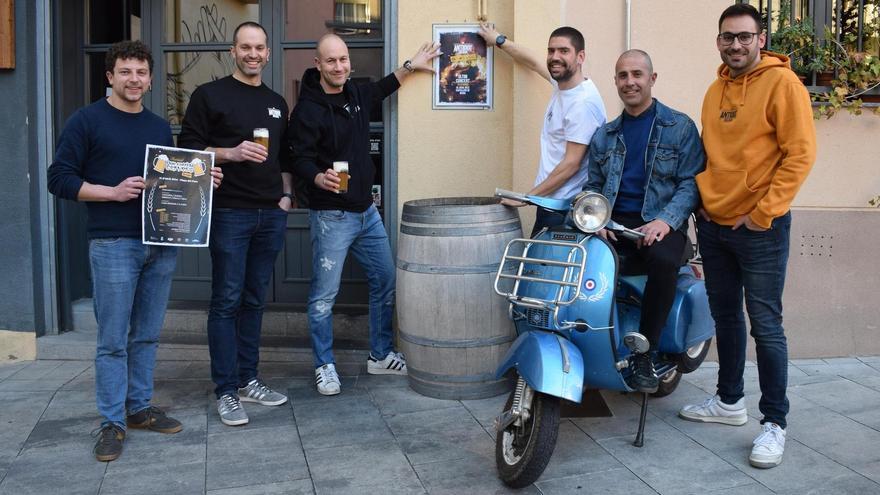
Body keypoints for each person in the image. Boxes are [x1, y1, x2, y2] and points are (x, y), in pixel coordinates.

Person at [47, 40, 222, 461]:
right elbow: (59, 178)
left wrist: (203, 184)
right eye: (125, 72)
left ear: (149, 78)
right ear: (110, 76)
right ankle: (112, 421)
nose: (134, 79)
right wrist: (111, 192)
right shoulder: (85, 121)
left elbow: (172, 182)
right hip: (112, 244)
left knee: (146, 334)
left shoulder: (159, 127)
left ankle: (139, 407)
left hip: (159, 243)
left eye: (141, 72)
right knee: (112, 340)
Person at [678, 4, 816, 469]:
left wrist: (762, 215)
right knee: (726, 318)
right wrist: (701, 205)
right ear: (718, 41)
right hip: (715, 227)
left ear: (761, 39)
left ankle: (774, 423)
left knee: (766, 325)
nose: (735, 45)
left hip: (760, 230)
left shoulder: (783, 84)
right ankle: (728, 401)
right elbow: (712, 156)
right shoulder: (715, 89)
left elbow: (800, 155)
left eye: (744, 37)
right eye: (727, 37)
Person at [288, 34, 440, 396]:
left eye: (343, 59)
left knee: (385, 280)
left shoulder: (355, 93)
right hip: (331, 217)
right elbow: (298, 158)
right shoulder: (307, 110)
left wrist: (410, 65)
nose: (338, 66)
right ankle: (324, 365)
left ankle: (380, 354)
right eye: (331, 61)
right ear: (318, 63)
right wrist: (316, 176)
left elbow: (382, 89)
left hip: (366, 213)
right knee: (324, 296)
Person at [178, 22, 294, 426]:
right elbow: (187, 149)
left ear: (267, 53)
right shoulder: (209, 95)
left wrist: (286, 197)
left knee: (254, 300)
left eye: (259, 47)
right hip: (229, 213)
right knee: (226, 301)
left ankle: (248, 379)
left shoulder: (277, 101)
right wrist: (229, 152)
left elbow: (284, 158)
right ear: (233, 51)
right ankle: (226, 390)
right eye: (245, 47)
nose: (253, 54)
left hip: (269, 215)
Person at [584, 50, 705, 393]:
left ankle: (645, 353)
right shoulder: (605, 135)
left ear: (652, 79)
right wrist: (599, 220)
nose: (629, 82)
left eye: (637, 74)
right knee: (576, 254)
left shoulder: (679, 126)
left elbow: (691, 182)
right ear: (616, 82)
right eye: (622, 75)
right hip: (615, 222)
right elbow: (593, 186)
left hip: (661, 222)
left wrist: (665, 222)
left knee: (663, 261)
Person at [478, 23, 606, 235]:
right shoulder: (564, 85)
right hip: (551, 201)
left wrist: (527, 197)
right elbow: (534, 62)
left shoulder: (582, 103)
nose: (555, 57)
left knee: (541, 266)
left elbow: (571, 164)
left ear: (580, 57)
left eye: (564, 51)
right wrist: (499, 40)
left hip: (564, 208)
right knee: (537, 265)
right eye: (551, 50)